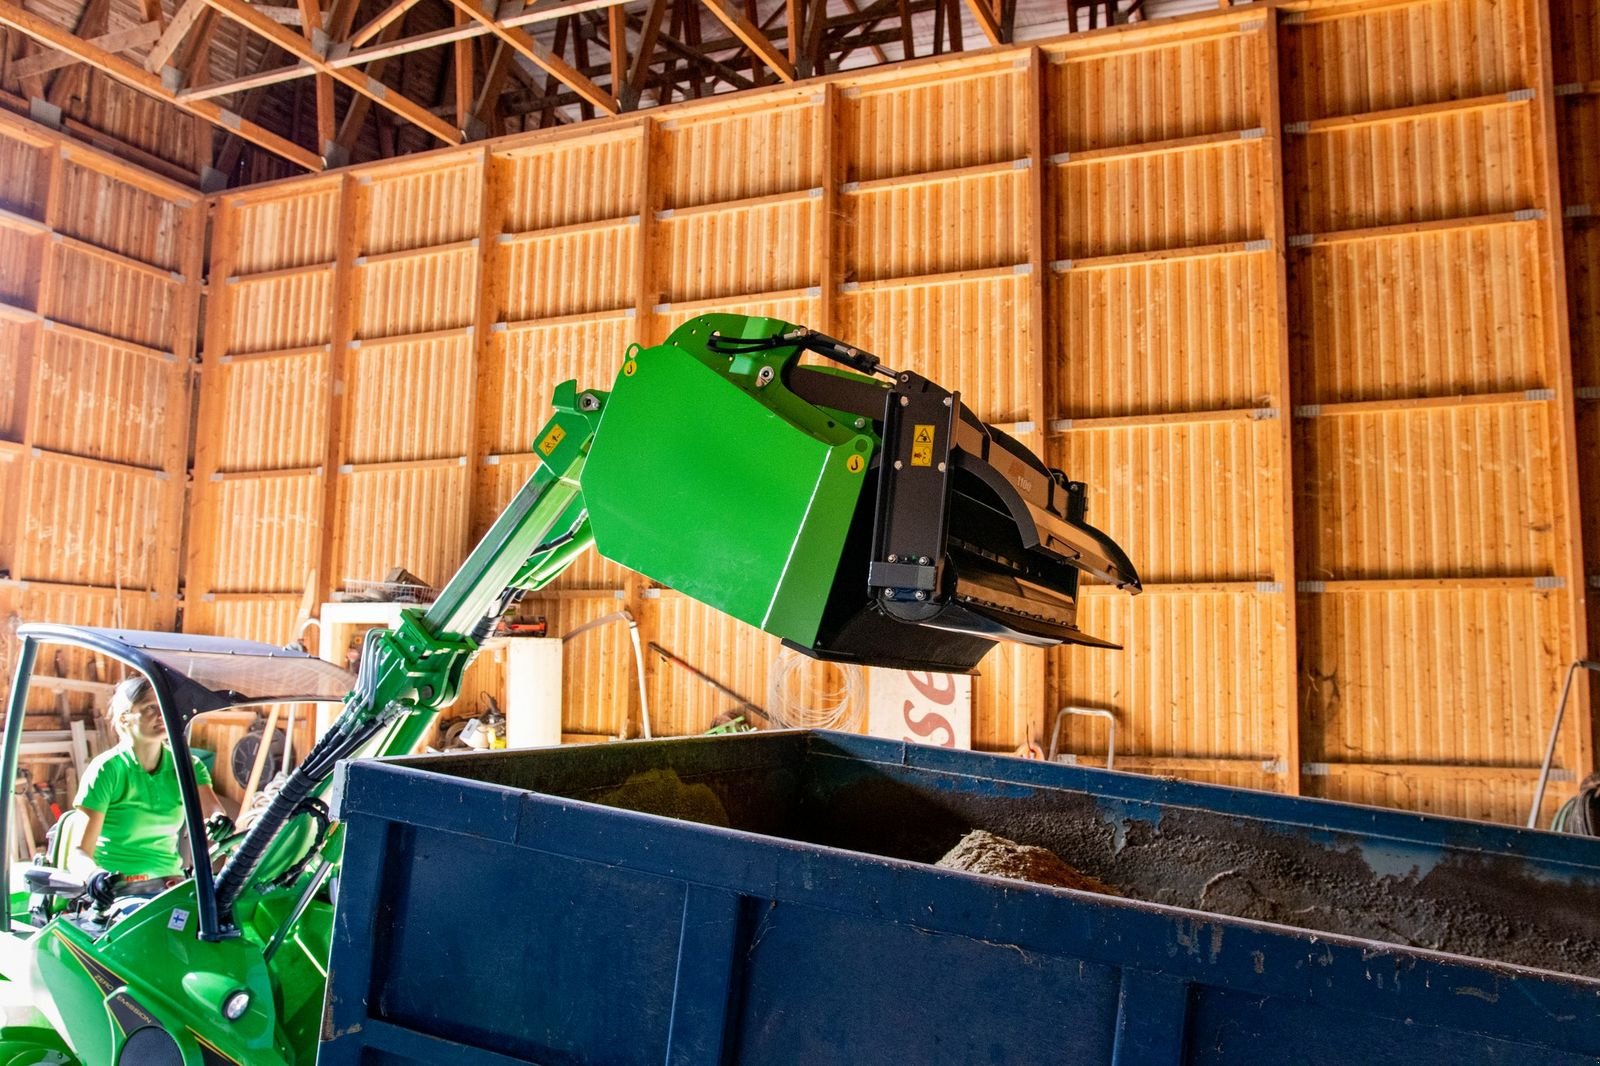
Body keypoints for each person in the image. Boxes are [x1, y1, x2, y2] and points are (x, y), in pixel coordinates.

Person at [68, 676, 226, 900]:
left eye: (164, 706)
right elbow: (78, 853)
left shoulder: (187, 766)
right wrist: (94, 877)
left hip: (170, 886)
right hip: (119, 891)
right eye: (150, 707)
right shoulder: (107, 770)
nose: (162, 714)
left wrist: (219, 822)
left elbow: (213, 813)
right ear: (124, 718)